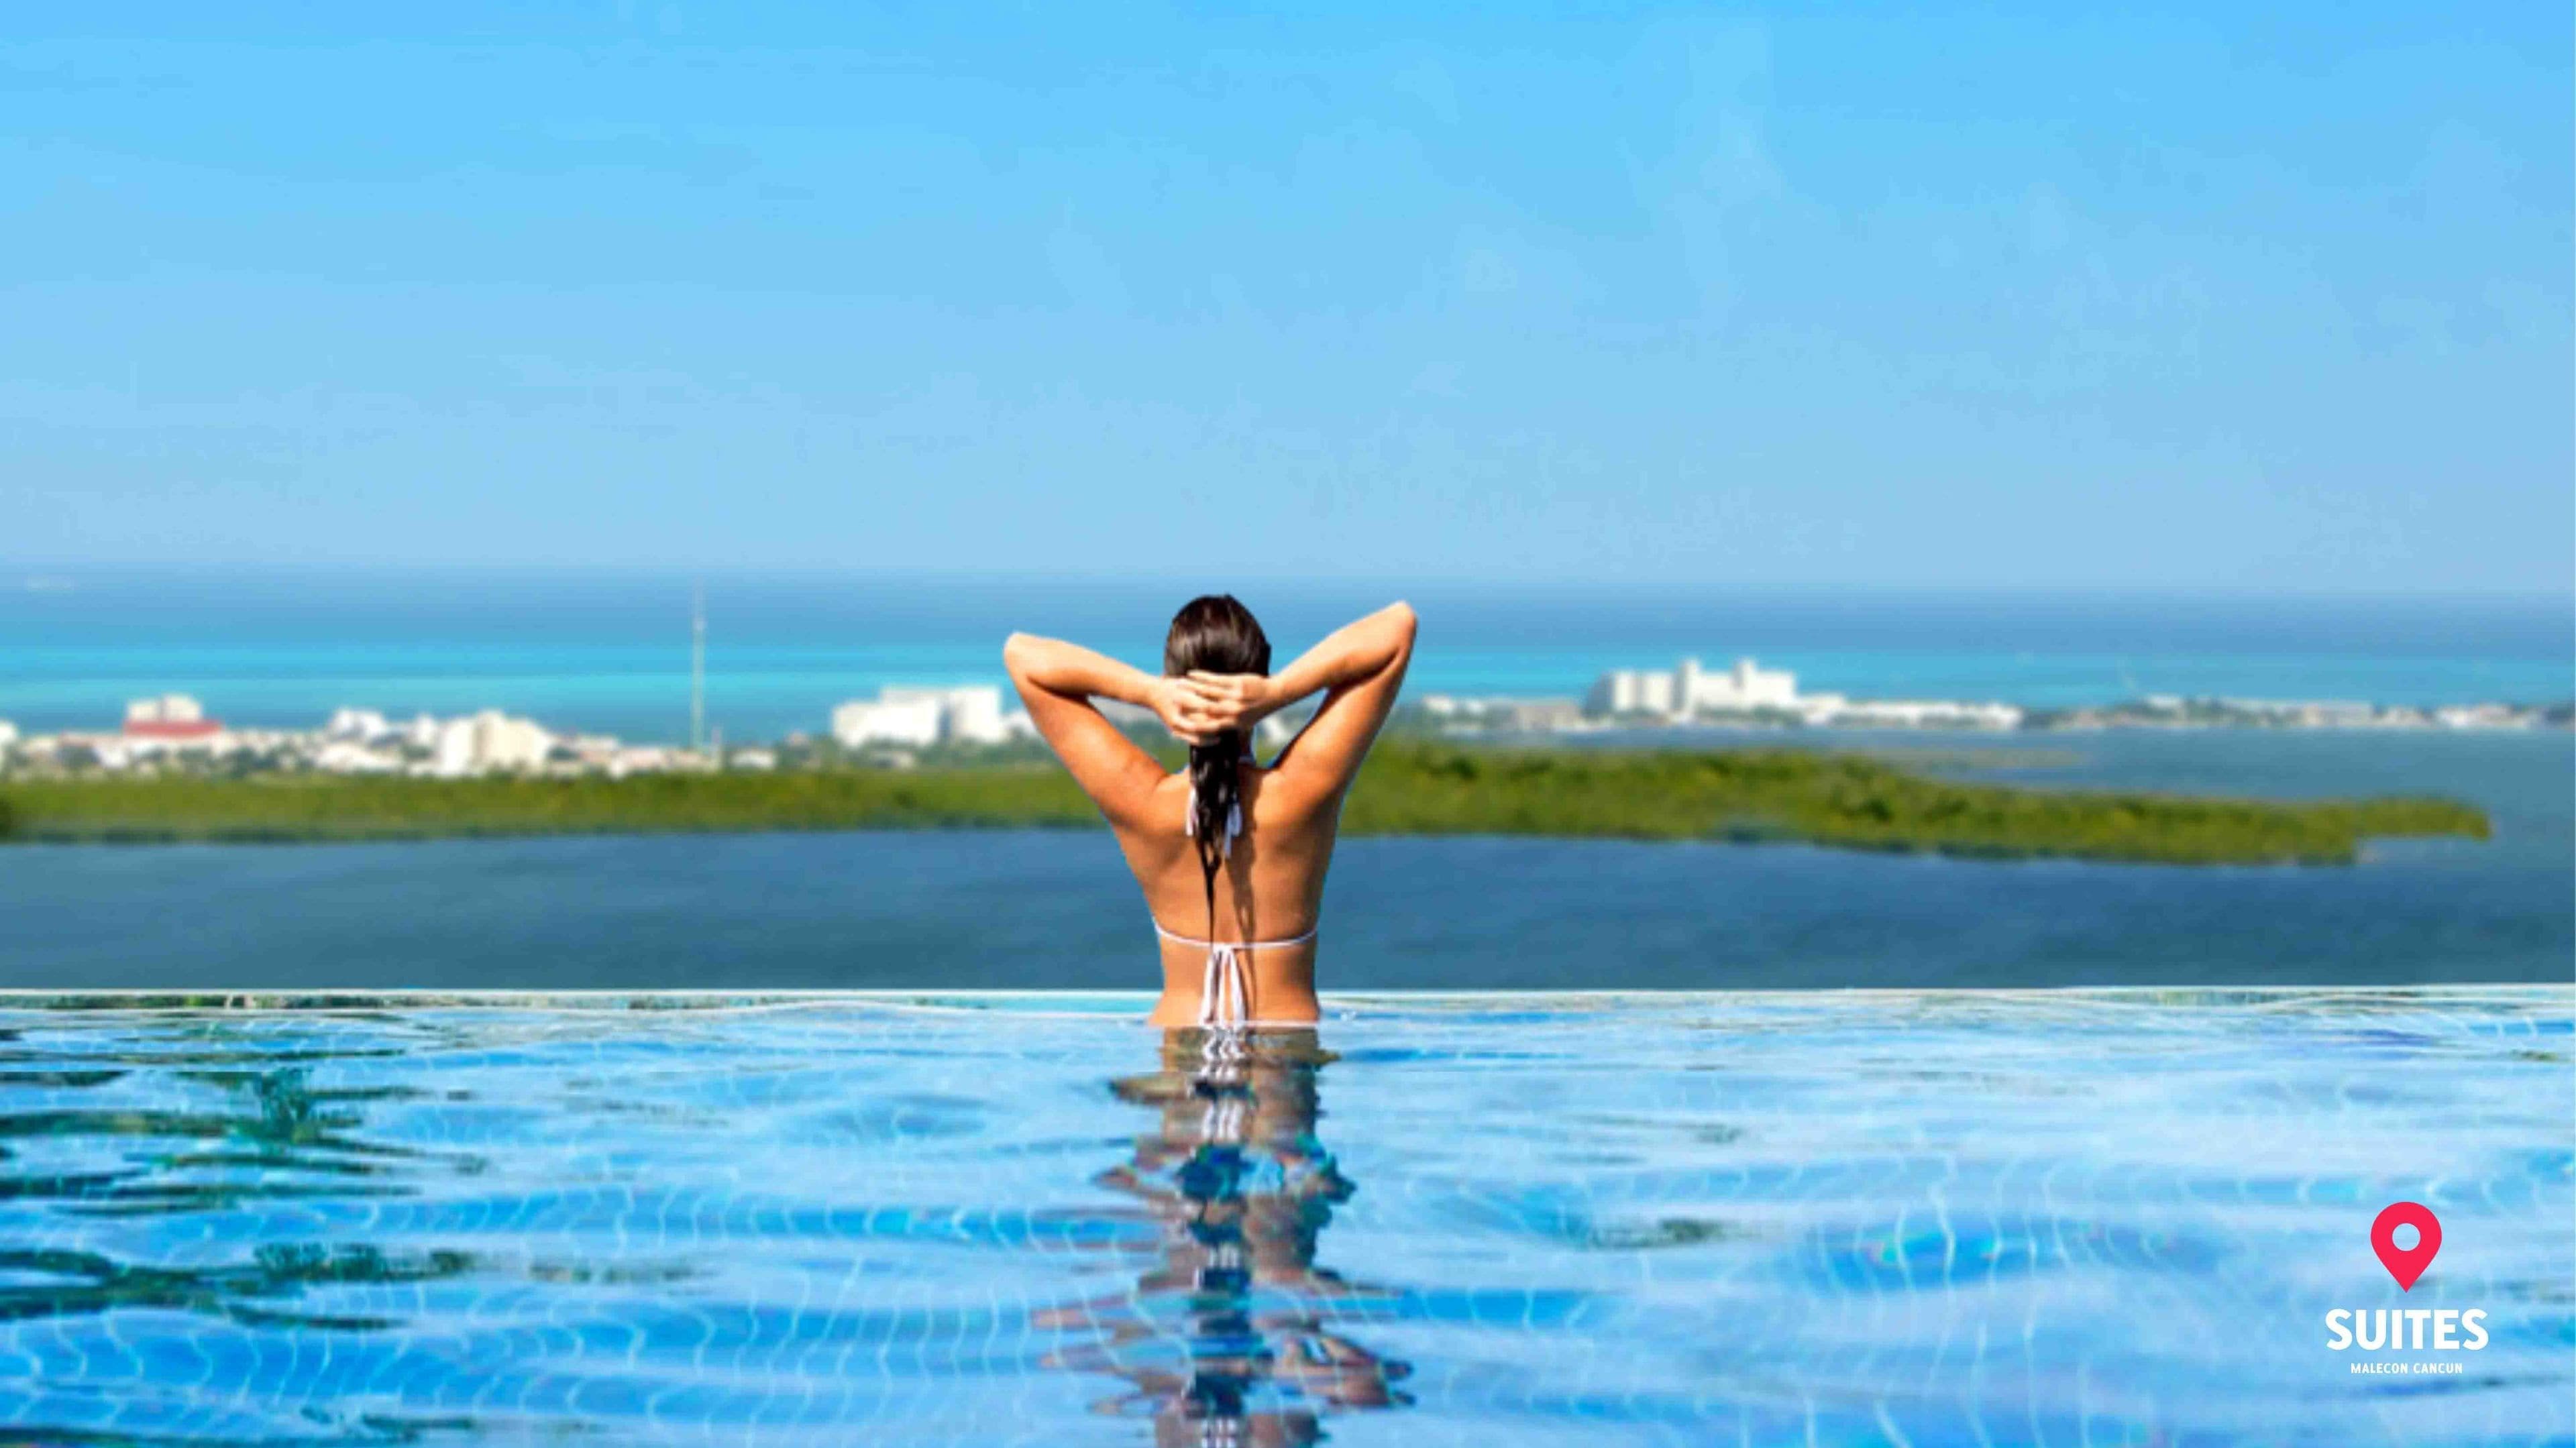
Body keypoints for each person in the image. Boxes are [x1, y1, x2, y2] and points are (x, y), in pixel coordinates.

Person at [1002, 597, 1415, 1027]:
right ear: (1256, 683)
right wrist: (1279, 693)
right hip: (1283, 1048)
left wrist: (1149, 693)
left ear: (1172, 680)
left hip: (1180, 1050)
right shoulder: (1299, 795)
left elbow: (1022, 655)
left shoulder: (1145, 802)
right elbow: (1397, 627)